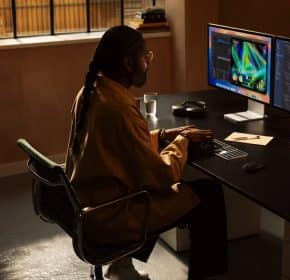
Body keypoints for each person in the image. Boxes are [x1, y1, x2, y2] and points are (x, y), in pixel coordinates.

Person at [64, 25, 228, 280]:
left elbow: (118, 147)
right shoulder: (119, 107)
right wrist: (183, 141)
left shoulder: (91, 91)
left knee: (159, 188)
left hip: (91, 207)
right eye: (146, 56)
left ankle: (122, 265)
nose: (148, 62)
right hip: (112, 216)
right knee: (208, 194)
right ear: (129, 63)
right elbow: (163, 176)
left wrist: (162, 136)